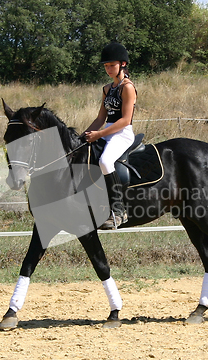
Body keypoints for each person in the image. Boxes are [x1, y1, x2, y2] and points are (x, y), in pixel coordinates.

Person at [83, 42, 137, 230]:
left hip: (122, 133)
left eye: (111, 65)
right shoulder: (107, 88)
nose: (108, 69)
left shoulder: (127, 87)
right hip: (107, 131)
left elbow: (125, 120)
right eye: (106, 66)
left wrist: (99, 134)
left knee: (105, 161)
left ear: (122, 64)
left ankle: (118, 210)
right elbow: (100, 118)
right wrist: (83, 136)